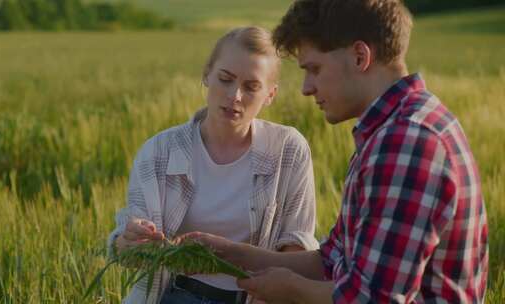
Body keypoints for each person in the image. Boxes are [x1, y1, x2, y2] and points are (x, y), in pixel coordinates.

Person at [184, 0, 489, 303]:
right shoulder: (393, 128)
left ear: (359, 57)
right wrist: (234, 253)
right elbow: (331, 260)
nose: (306, 87)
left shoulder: (406, 140)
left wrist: (291, 290)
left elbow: (373, 299)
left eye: (314, 69)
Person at [108, 26, 318, 304]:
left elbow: (297, 246)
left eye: (251, 86)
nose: (235, 96)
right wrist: (130, 240)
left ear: (270, 94)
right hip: (172, 295)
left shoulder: (288, 150)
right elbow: (125, 251)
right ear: (207, 74)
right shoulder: (159, 151)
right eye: (225, 79)